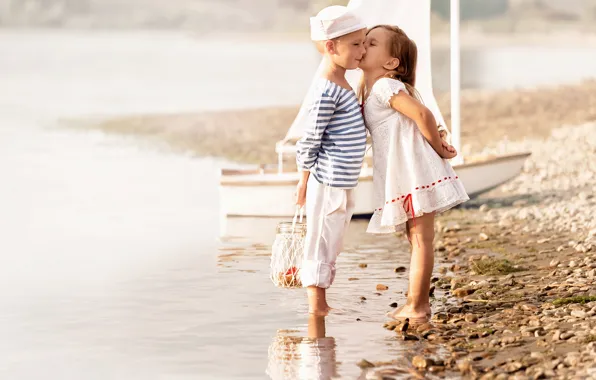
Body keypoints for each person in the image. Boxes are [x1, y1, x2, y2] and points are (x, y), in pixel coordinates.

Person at [358, 25, 469, 322]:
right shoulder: (372, 91)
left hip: (414, 173)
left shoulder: (385, 86)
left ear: (391, 63)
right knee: (417, 239)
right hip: (406, 174)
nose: (362, 46)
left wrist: (440, 148)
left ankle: (418, 305)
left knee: (421, 240)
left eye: (371, 43)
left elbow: (423, 115)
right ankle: (415, 301)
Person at [295, 5, 367, 316]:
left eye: (364, 43)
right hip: (327, 180)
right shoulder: (326, 89)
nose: (362, 51)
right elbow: (310, 138)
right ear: (330, 47)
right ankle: (317, 306)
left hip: (342, 179)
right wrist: (303, 181)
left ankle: (321, 302)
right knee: (321, 238)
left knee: (333, 238)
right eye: (355, 45)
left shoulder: (343, 81)